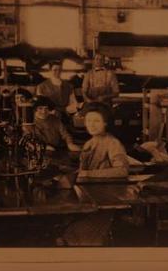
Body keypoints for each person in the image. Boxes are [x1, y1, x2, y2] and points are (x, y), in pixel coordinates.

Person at [57, 102, 129, 246]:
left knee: (73, 235)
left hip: (105, 203)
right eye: (89, 120)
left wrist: (87, 174)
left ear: (105, 123)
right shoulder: (90, 143)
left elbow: (122, 171)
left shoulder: (112, 143)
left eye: (96, 121)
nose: (92, 124)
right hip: (90, 200)